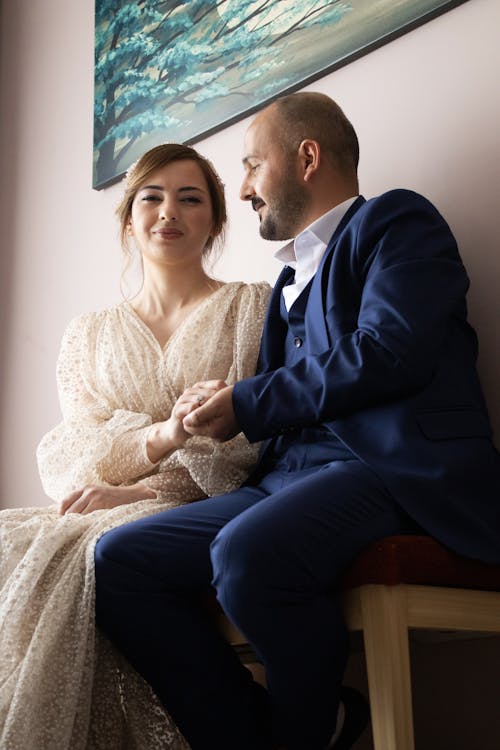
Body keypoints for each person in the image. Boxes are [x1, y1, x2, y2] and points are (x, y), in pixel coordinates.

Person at [94, 93, 500, 750]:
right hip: (287, 479)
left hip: (388, 474)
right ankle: (287, 732)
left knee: (247, 554)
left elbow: (389, 351)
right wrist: (172, 460)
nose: (246, 186)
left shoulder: (398, 222)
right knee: (118, 562)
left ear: (307, 157)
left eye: (253, 164)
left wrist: (248, 403)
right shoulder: (282, 282)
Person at [0, 143, 270, 750]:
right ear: (128, 218)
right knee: (11, 544)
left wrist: (149, 472)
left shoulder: (250, 307)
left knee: (93, 555)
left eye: (190, 198)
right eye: (152, 197)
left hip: (202, 508)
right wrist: (156, 438)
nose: (168, 212)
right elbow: (74, 450)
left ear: (216, 220)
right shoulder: (88, 335)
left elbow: (259, 442)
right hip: (105, 504)